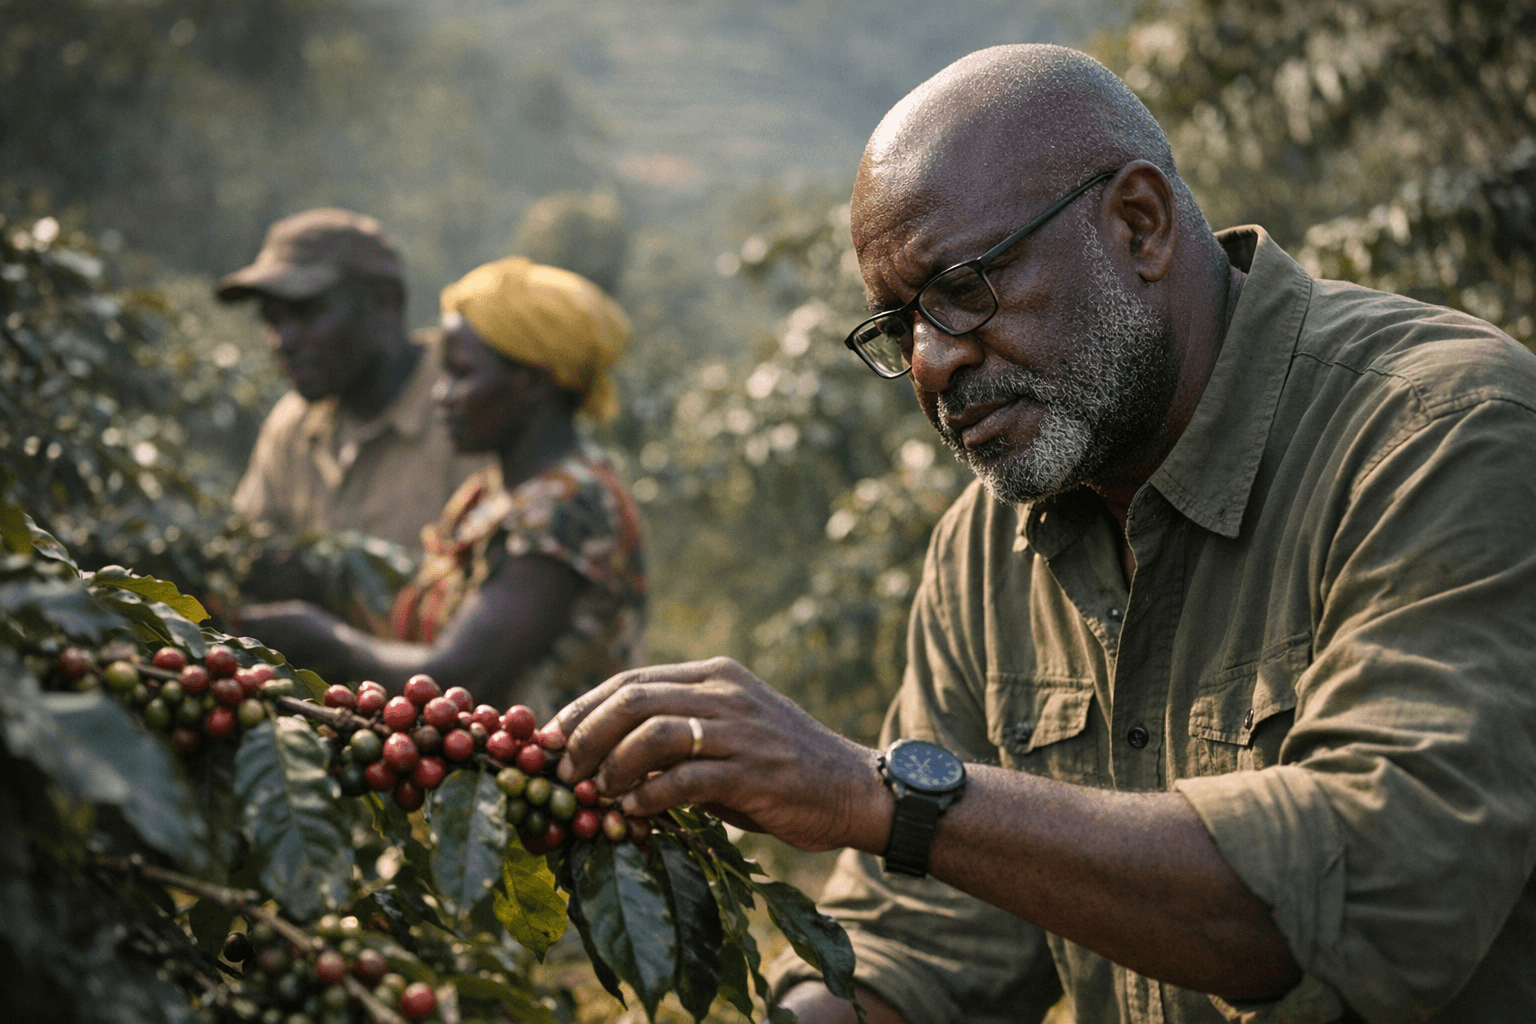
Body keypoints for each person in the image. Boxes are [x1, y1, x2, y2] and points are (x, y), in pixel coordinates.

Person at [539, 45, 1536, 1023]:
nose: (933, 364)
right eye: (897, 327)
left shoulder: (1440, 433)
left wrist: (874, 791)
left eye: (964, 288)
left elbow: (1383, 892)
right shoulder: (985, 548)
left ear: (1138, 225)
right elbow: (927, 940)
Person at [235, 257, 646, 716]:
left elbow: (460, 677)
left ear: (531, 383)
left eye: (462, 374)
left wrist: (323, 638)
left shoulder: (569, 505)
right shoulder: (487, 496)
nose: (440, 394)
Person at [217, 208, 488, 560]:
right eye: (272, 319)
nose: (283, 340)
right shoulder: (292, 426)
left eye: (306, 313)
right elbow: (247, 551)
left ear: (384, 302)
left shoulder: (470, 412)